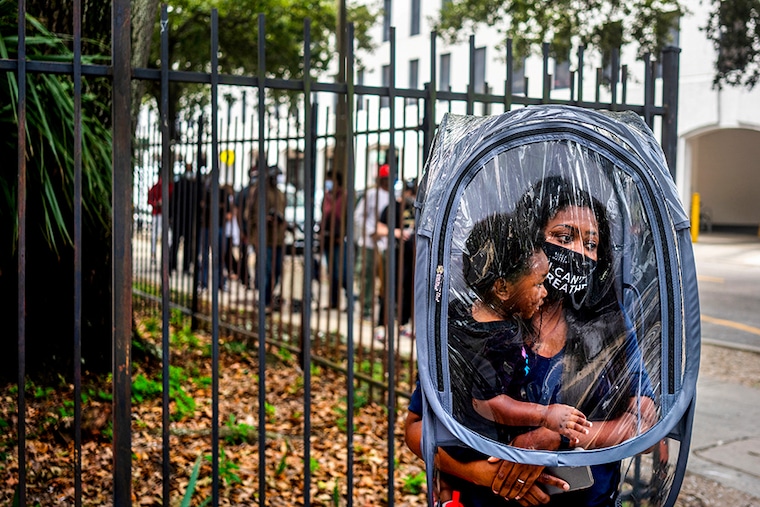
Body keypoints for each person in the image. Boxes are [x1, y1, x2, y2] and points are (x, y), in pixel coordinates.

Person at [405, 175, 656, 506]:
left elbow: (645, 422)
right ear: (529, 243)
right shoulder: (480, 327)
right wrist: (486, 474)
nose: (579, 252)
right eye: (564, 237)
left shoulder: (609, 324)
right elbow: (416, 428)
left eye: (591, 244)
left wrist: (555, 438)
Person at [459, 213, 592, 447]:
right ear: (502, 288)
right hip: (485, 447)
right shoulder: (499, 340)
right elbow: (486, 402)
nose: (545, 292)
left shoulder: (461, 315)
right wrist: (545, 414)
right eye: (539, 284)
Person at [376, 177, 417, 333]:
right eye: (410, 192)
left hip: (412, 255)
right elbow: (379, 228)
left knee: (410, 287)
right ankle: (382, 324)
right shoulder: (392, 207)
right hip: (395, 252)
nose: (411, 196)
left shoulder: (416, 207)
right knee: (390, 287)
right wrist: (396, 232)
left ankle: (404, 323)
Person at [246, 165, 287, 312]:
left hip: (278, 238)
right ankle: (264, 300)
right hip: (264, 238)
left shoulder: (281, 194)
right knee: (266, 270)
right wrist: (266, 219)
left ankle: (268, 297)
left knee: (277, 270)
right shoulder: (259, 192)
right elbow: (250, 215)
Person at [353, 163, 390, 320]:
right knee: (366, 275)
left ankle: (386, 308)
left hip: (387, 242)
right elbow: (358, 215)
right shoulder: (371, 194)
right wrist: (371, 230)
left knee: (387, 277)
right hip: (369, 242)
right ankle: (366, 308)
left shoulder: (393, 196)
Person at [320, 169, 348, 309]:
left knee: (341, 272)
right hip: (327, 239)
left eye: (331, 179)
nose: (328, 182)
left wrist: (343, 235)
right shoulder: (326, 197)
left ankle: (349, 301)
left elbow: (348, 218)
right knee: (331, 272)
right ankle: (333, 302)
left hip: (339, 239)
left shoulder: (344, 197)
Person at [169, 162, 199, 274]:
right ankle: (175, 265)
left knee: (183, 243)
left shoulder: (190, 184)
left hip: (184, 218)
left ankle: (179, 266)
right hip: (184, 218)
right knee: (180, 243)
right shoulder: (190, 184)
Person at [147, 174, 173, 264]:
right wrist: (156, 203)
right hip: (158, 214)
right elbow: (150, 200)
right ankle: (156, 255)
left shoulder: (168, 187)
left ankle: (162, 255)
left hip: (162, 214)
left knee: (165, 235)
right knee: (157, 235)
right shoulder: (159, 187)